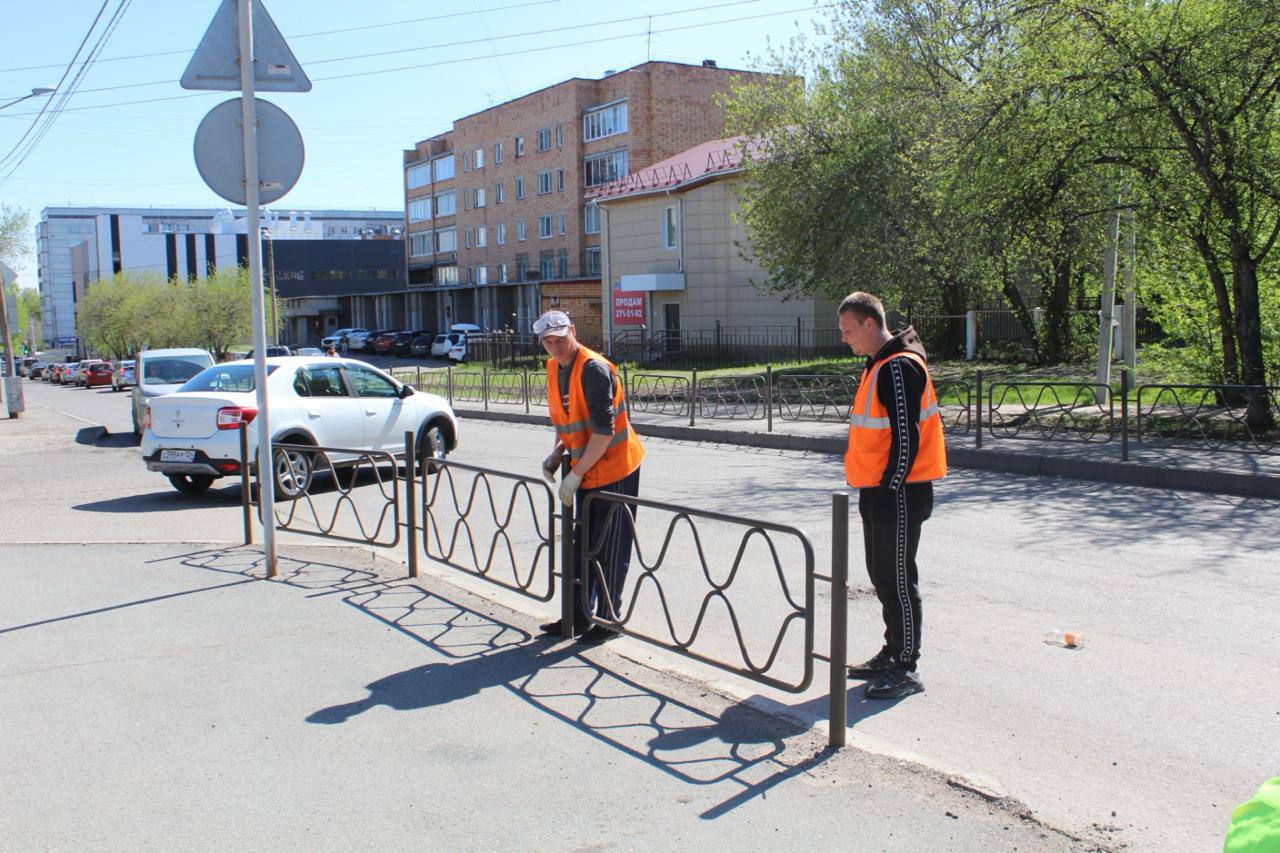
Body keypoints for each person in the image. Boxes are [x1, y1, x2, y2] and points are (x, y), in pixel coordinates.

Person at [839, 292, 947, 699]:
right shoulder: (879, 364)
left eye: (849, 331)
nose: (845, 339)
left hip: (899, 491)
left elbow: (907, 437)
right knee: (883, 575)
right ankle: (893, 650)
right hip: (881, 489)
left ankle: (905, 667)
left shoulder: (898, 367)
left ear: (870, 324)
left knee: (898, 578)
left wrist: (890, 488)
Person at [534, 310, 645, 644]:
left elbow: (603, 431)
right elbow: (564, 418)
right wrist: (556, 454)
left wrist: (575, 474)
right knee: (581, 544)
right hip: (584, 468)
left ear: (573, 330)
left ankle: (609, 620)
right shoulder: (554, 368)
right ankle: (579, 616)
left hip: (614, 467)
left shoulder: (593, 369)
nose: (555, 348)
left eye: (560, 339)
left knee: (610, 545)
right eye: (548, 342)